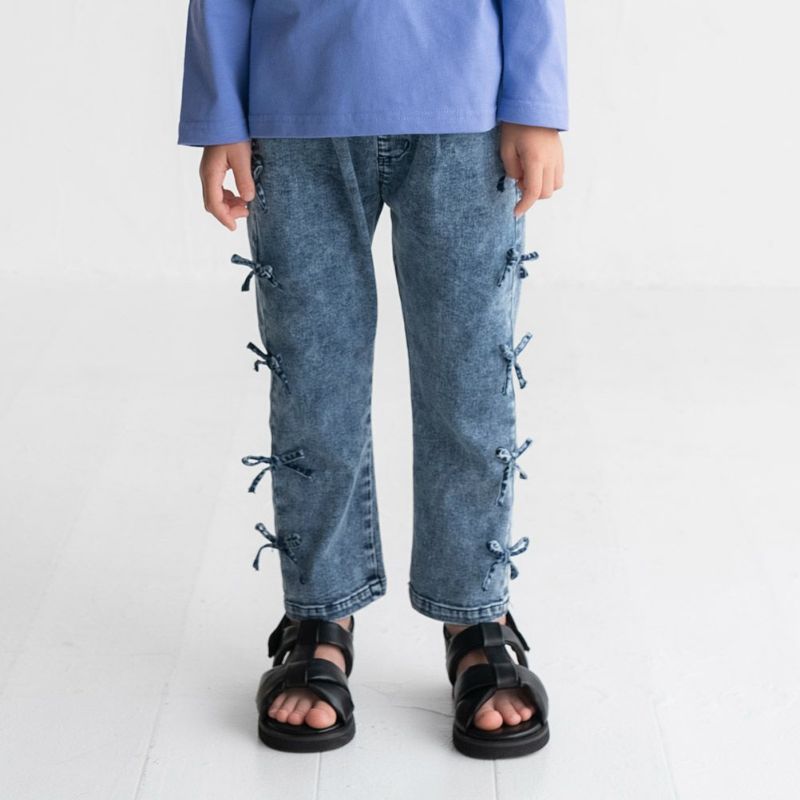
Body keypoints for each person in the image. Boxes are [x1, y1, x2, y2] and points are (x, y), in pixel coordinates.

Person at [178, 0, 568, 759]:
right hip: (296, 109)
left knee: (469, 384)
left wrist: (535, 101)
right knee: (313, 383)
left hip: (466, 109)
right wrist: (220, 109)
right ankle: (320, 613)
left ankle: (476, 614)